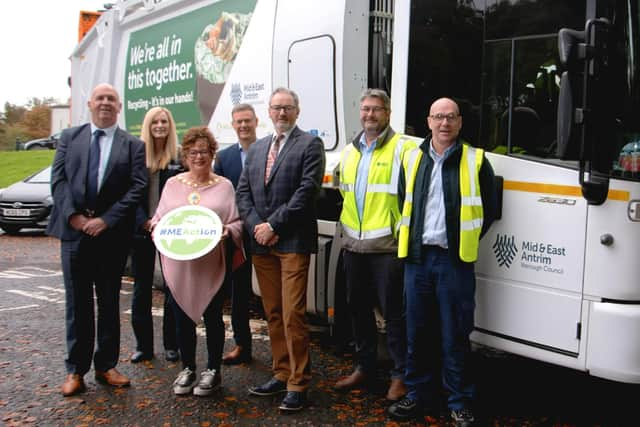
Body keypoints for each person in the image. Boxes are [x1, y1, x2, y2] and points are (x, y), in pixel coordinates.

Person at [388, 98, 498, 426]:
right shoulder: (412, 158)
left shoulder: (476, 161)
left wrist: (462, 241)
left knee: (455, 334)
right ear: (429, 121)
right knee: (416, 331)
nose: (444, 123)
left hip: (454, 261)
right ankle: (417, 395)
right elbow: (401, 200)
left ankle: (459, 401)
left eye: (450, 117)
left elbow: (487, 211)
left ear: (460, 122)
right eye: (438, 117)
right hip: (418, 260)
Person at [47, 83, 148, 397]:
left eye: (111, 99)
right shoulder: (70, 138)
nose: (105, 103)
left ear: (119, 107)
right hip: (75, 233)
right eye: (100, 98)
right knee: (77, 304)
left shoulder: (133, 145)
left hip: (111, 235)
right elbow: (59, 181)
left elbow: (137, 187)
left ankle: (106, 366)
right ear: (90, 103)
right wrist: (74, 217)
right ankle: (75, 370)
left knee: (108, 302)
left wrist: (107, 220)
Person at [236, 87, 325, 412]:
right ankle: (281, 371)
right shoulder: (258, 148)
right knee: (272, 313)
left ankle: (298, 383)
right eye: (276, 108)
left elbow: (307, 191)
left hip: (291, 242)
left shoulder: (310, 144)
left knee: (293, 315)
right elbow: (242, 192)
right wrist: (257, 226)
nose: (282, 113)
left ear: (297, 112)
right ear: (269, 113)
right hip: (262, 245)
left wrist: (273, 225)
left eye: (288, 108)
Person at [334, 89, 416, 401]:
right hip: (354, 246)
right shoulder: (350, 151)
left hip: (388, 248)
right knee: (358, 310)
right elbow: (346, 195)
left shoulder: (402, 149)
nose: (370, 115)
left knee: (394, 313)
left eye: (377, 110)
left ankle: (400, 375)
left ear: (388, 113)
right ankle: (364, 366)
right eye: (366, 109)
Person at [151, 126, 243, 396]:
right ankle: (188, 367)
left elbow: (236, 221)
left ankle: (213, 369)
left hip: (211, 263)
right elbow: (159, 220)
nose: (198, 156)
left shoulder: (224, 186)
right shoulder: (172, 184)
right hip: (180, 265)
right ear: (185, 155)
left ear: (212, 153)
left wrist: (229, 231)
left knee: (213, 316)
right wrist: (157, 231)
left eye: (204, 151)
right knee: (182, 319)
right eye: (192, 152)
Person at [129, 107, 181, 364]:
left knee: (172, 288)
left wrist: (165, 223)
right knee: (142, 290)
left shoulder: (178, 157)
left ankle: (172, 344)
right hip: (142, 231)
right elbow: (130, 194)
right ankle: (143, 346)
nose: (160, 125)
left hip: (169, 232)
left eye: (164, 121)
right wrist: (144, 222)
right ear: (148, 126)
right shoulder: (137, 155)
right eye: (155, 122)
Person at [214, 103, 259, 365]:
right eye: (238, 122)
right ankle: (242, 345)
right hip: (236, 236)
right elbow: (219, 195)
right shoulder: (225, 157)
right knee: (239, 293)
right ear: (233, 125)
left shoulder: (268, 149)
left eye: (247, 121)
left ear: (256, 122)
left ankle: (281, 351)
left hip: (264, 232)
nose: (243, 125)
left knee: (269, 296)